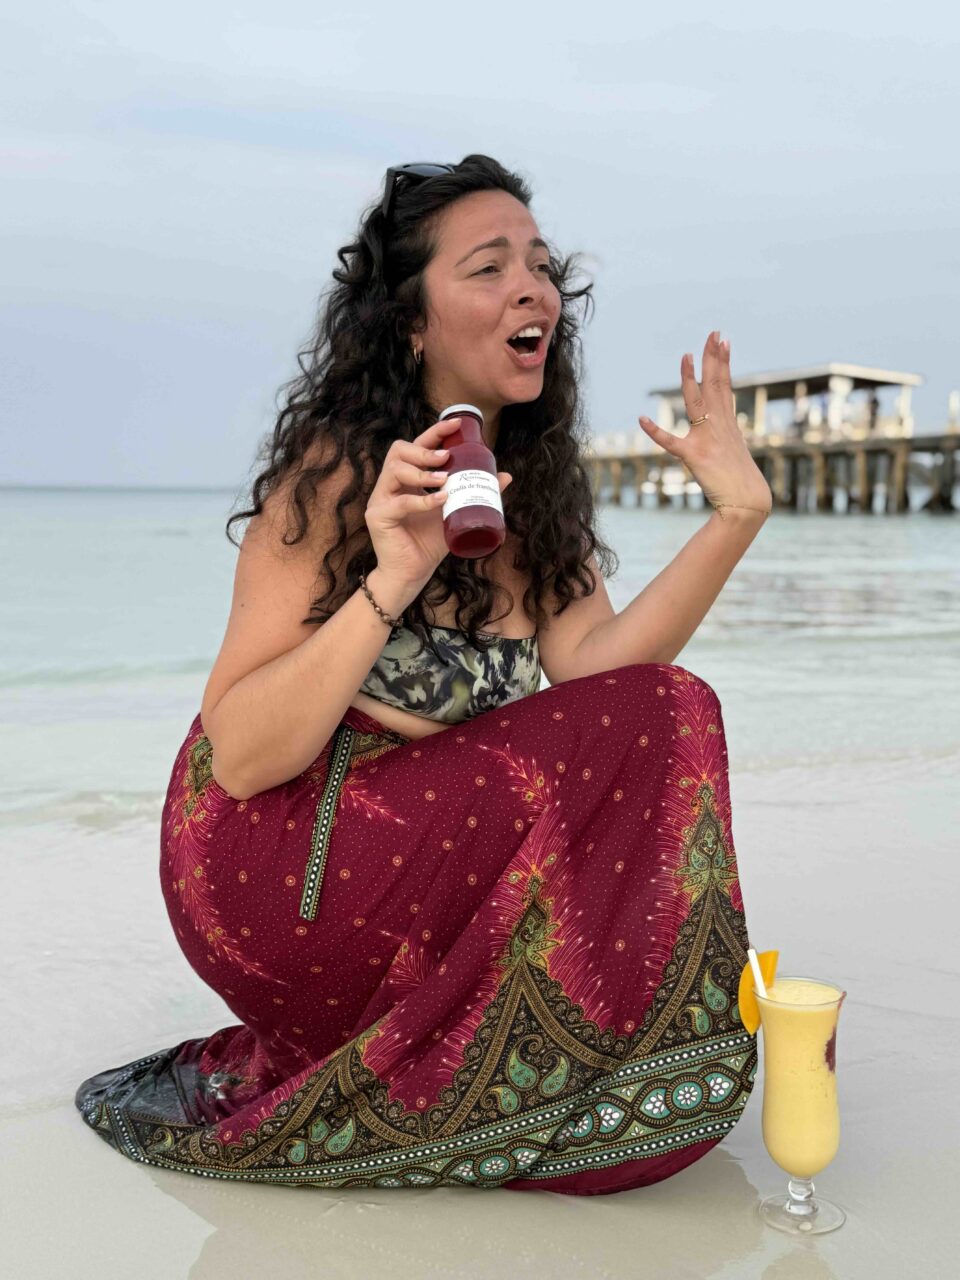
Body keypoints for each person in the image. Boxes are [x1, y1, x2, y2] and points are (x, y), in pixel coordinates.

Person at [75, 155, 773, 1195]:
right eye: (489, 268)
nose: (533, 288)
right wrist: (389, 578)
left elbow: (604, 683)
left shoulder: (529, 494)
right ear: (411, 322)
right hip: (273, 861)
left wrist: (736, 517)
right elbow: (244, 755)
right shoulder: (338, 472)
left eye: (541, 266)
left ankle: (565, 1079)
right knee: (660, 717)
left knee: (669, 712)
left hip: (408, 861)